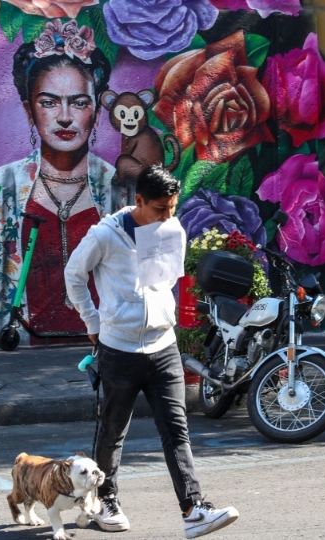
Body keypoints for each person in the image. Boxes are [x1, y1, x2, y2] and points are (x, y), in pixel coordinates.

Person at [64, 165, 240, 539]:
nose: (168, 215)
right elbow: (74, 275)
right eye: (160, 208)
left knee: (176, 430)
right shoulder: (104, 236)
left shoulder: (171, 228)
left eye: (173, 207)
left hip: (163, 347)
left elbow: (165, 282)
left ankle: (193, 510)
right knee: (112, 431)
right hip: (119, 349)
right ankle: (104, 500)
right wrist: (93, 324)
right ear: (138, 201)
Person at [0, 19, 116, 336]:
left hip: (106, 341)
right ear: (28, 110)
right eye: (49, 102)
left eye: (79, 102)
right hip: (20, 350)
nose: (65, 116)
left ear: (96, 110)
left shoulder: (119, 187)